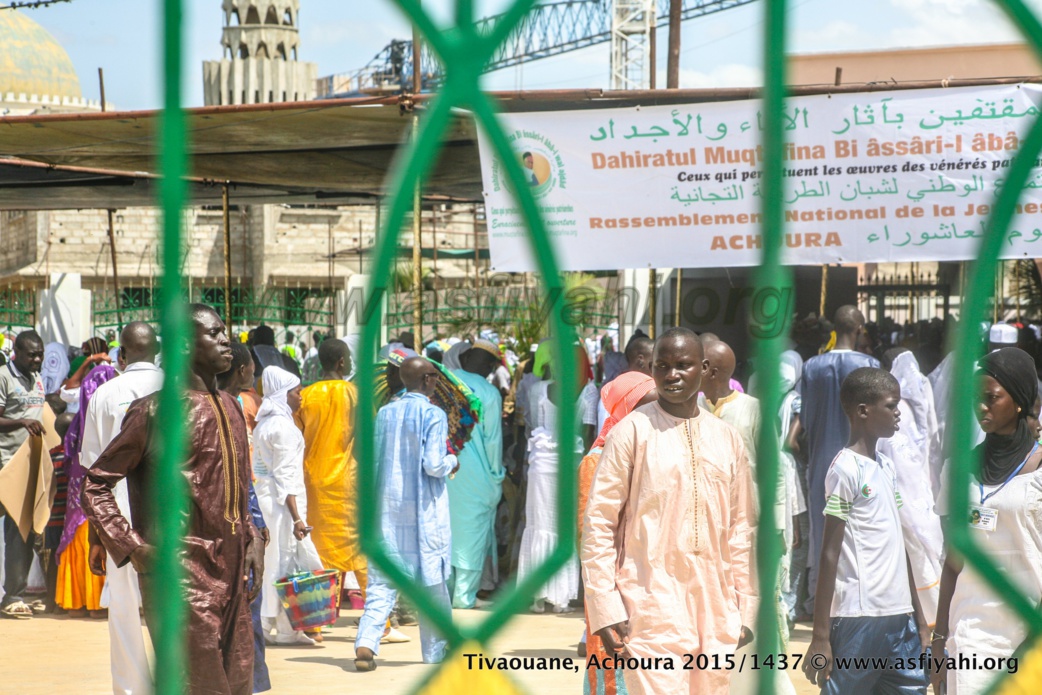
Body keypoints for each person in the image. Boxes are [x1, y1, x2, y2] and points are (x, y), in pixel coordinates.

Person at [83, 305, 264, 695]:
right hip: (181, 577)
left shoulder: (232, 407)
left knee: (238, 683)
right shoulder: (154, 411)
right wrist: (132, 547)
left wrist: (254, 538)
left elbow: (236, 488)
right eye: (214, 334)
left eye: (224, 332)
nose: (225, 341)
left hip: (232, 573)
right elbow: (95, 484)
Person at [582, 328, 757, 694]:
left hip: (716, 602)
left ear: (704, 368)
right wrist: (605, 605)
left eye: (683, 365)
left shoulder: (726, 439)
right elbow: (599, 522)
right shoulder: (631, 432)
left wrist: (747, 606)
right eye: (663, 366)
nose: (672, 374)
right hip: (648, 601)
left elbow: (741, 527)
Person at [802, 367, 929, 694]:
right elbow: (829, 553)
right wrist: (820, 635)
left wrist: (918, 615)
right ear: (862, 411)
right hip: (860, 615)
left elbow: (900, 546)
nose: (898, 413)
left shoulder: (885, 467)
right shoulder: (844, 469)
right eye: (891, 405)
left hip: (900, 618)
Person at [932, 347, 1042, 695]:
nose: (981, 407)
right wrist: (938, 638)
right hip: (971, 632)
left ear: (1020, 401)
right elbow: (952, 560)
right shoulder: (959, 469)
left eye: (992, 398)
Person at [354, 357, 458, 671]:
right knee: (432, 584)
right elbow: (434, 465)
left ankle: (366, 643)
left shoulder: (384, 413)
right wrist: (453, 461)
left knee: (382, 582)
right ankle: (436, 650)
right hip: (424, 513)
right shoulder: (433, 414)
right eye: (435, 377)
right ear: (427, 380)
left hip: (387, 511)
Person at [80, 321, 162, 695]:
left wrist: (98, 537)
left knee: (125, 609)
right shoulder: (180, 388)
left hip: (118, 518)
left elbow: (93, 472)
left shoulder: (104, 394)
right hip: (172, 516)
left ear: (122, 355)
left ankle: (131, 689)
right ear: (157, 351)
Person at [577, 371, 655, 694]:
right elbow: (589, 538)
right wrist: (605, 602)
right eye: (646, 408)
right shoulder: (597, 461)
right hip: (615, 588)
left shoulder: (656, 451)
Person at [800, 305, 879, 618]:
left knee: (824, 534)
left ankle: (821, 602)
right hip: (861, 460)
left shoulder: (811, 366)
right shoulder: (871, 365)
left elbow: (805, 419)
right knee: (863, 532)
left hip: (822, 459)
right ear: (859, 329)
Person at [252, 366, 323, 646]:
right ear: (283, 394)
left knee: (279, 562)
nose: (301, 396)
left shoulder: (267, 423)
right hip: (281, 504)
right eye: (296, 392)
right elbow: (285, 475)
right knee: (282, 563)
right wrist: (297, 519)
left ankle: (286, 629)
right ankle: (268, 624)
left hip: (269, 499)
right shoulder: (281, 427)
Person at [217, 342, 272, 691]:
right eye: (251, 366)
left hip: (244, 528)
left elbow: (244, 476)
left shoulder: (236, 406)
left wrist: (258, 530)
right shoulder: (223, 407)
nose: (254, 372)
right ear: (241, 371)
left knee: (248, 620)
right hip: (226, 533)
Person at [294, 338, 367, 594]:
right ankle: (381, 622)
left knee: (319, 550)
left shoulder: (304, 396)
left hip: (313, 482)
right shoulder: (356, 395)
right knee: (360, 550)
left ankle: (316, 620)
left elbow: (296, 440)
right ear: (342, 362)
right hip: (349, 481)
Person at [877, 348, 944, 626]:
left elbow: (885, 449)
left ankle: (923, 617)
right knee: (928, 546)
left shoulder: (893, 409)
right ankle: (934, 613)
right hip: (922, 487)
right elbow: (934, 442)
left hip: (901, 488)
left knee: (913, 550)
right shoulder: (921, 400)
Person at [447, 340, 505, 609]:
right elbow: (493, 442)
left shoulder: (444, 382)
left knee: (446, 534)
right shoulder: (489, 393)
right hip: (478, 475)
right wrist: (497, 476)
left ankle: (444, 596)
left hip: (444, 471)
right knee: (472, 536)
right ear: (492, 366)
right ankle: (464, 596)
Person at [56, 364, 117, 618]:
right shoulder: (114, 412)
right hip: (102, 490)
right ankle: (96, 602)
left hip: (78, 493)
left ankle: (75, 600)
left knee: (78, 539)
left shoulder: (78, 420)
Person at [0, 329, 46, 619]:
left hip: (29, 468)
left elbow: (41, 413)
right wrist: (22, 422)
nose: (37, 358)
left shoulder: (37, 376)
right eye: (32, 354)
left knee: (21, 534)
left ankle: (13, 596)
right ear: (16, 352)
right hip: (4, 465)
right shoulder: (4, 376)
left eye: (40, 353)